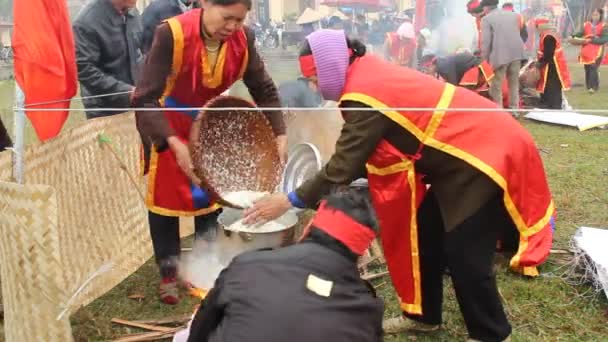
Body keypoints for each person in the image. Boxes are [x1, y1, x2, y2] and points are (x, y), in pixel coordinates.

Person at [244, 30, 554, 342]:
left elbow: (344, 165)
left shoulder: (365, 92)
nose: (313, 86)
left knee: (465, 252)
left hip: (481, 152)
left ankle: (492, 334)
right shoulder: (363, 75)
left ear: (331, 66)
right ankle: (424, 316)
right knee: (426, 234)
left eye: (314, 77)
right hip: (457, 158)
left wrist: (288, 200)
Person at [131, 0, 287, 305]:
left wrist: (280, 132)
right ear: (205, 3)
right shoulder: (171, 35)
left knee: (211, 195)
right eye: (227, 17)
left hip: (213, 122)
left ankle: (202, 265)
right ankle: (168, 273)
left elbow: (264, 89)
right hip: (169, 122)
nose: (232, 27)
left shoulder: (245, 40)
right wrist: (174, 144)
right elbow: (144, 97)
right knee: (165, 202)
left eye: (240, 20)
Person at [187, 188, 384, 342]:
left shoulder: (248, 265)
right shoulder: (365, 312)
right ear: (359, 255)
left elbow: (199, 331)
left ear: (307, 228)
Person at [73, 0, 143, 119]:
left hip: (136, 101)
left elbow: (139, 50)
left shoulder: (131, 11)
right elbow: (85, 70)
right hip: (105, 110)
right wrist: (126, 92)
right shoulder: (86, 22)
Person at [480, 0, 527, 109]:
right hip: (517, 53)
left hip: (500, 55)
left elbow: (486, 42)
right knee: (514, 83)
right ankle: (514, 109)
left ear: (486, 8)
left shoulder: (486, 19)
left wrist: (484, 59)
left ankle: (498, 110)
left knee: (496, 85)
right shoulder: (514, 15)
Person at [536, 18, 571, 109]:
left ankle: (554, 105)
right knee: (548, 85)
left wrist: (540, 63)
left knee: (552, 86)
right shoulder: (547, 35)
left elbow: (549, 53)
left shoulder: (548, 37)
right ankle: (549, 104)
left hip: (553, 65)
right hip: (551, 64)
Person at [572, 8, 608, 93]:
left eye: (597, 15)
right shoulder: (586, 25)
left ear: (600, 16)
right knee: (587, 68)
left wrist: (592, 40)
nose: (594, 17)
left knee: (593, 67)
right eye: (593, 15)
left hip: (598, 50)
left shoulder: (604, 26)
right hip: (586, 50)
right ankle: (589, 86)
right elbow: (580, 33)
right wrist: (572, 36)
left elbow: (605, 39)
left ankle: (594, 87)